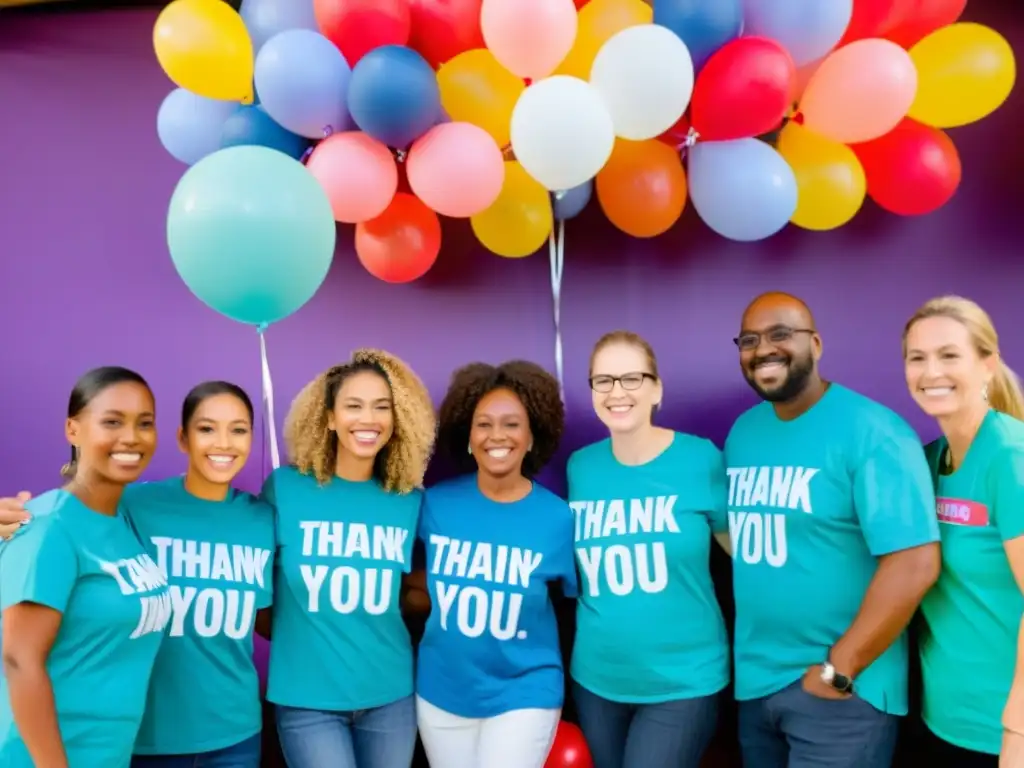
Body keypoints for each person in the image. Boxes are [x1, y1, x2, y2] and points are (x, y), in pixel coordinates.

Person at [0, 380, 276, 767]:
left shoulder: (263, 519)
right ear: (182, 438)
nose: (223, 443)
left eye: (239, 429)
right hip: (146, 739)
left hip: (234, 734)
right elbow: (62, 514)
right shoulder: (132, 501)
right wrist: (8, 521)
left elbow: (277, 609)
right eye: (207, 428)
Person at [725, 292, 941, 768]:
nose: (764, 349)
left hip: (841, 695)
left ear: (816, 344)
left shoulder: (874, 432)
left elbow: (915, 562)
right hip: (757, 686)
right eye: (750, 339)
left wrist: (839, 670)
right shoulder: (743, 433)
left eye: (781, 334)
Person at [262, 350, 436, 768]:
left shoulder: (409, 501)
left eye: (382, 407)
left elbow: (420, 587)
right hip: (306, 701)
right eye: (353, 406)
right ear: (329, 418)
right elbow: (258, 596)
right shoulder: (285, 489)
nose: (368, 419)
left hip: (390, 696)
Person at [566, 330, 729, 768]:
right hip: (596, 680)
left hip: (683, 683)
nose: (617, 392)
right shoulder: (581, 467)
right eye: (604, 380)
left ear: (657, 388)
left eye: (632, 378)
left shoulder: (701, 460)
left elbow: (748, 560)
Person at [0, 367, 172, 767]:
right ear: (73, 430)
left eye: (144, 423)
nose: (131, 437)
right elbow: (18, 659)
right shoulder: (49, 525)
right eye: (112, 421)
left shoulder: (124, 522)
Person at [413, 361, 577, 768]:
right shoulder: (435, 504)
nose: (497, 436)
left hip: (525, 693)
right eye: (483, 424)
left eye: (511, 424)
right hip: (441, 694)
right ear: (468, 436)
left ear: (531, 434)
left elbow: (574, 603)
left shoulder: (558, 518)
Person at [903, 296, 1024, 767]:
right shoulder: (928, 461)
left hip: (1002, 736)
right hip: (942, 721)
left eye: (949, 355)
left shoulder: (1010, 459)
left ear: (988, 364)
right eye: (917, 358)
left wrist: (1017, 730)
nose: (931, 371)